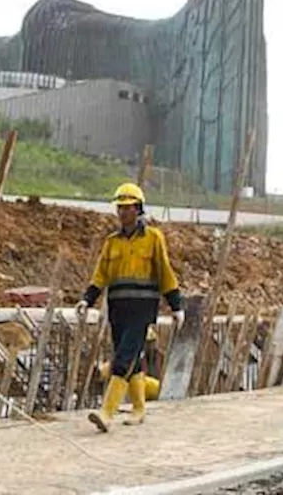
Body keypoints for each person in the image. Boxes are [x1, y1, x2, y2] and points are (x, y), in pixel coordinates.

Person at [76, 182, 184, 431]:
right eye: (120, 207)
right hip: (118, 309)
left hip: (142, 309)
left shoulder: (153, 238)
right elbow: (101, 275)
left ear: (138, 209)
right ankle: (138, 408)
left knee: (123, 359)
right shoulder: (112, 242)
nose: (123, 212)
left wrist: (175, 304)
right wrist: (87, 298)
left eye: (128, 207)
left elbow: (165, 272)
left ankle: (107, 412)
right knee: (132, 361)